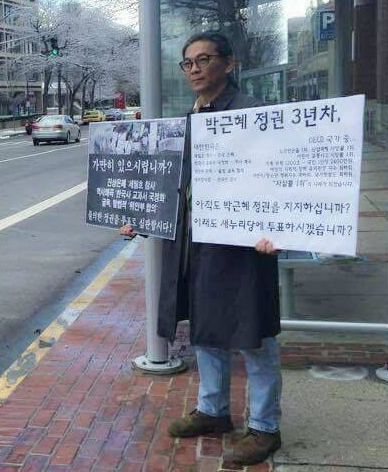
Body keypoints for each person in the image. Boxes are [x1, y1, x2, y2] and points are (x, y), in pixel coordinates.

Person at [119, 31, 281, 466]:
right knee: (207, 330)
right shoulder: (185, 119)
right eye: (187, 62)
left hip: (245, 246)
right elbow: (171, 183)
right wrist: (141, 212)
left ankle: (265, 428)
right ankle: (213, 411)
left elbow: (281, 178)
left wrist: (278, 230)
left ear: (227, 64)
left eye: (203, 59)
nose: (193, 68)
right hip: (198, 245)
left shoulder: (253, 114)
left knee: (254, 336)